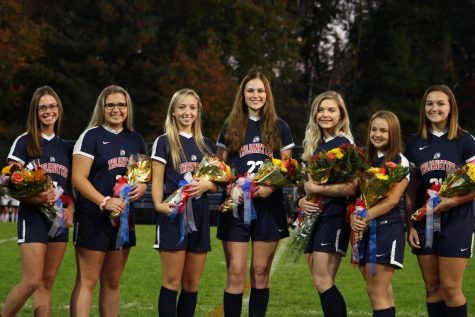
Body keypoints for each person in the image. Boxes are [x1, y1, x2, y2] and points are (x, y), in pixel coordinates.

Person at [216, 71, 295, 317]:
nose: (255, 95)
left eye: (260, 90)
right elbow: (219, 167)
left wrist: (270, 187)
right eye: (250, 90)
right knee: (236, 272)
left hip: (269, 206)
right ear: (243, 94)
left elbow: (289, 168)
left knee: (260, 273)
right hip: (236, 205)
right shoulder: (230, 125)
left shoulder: (279, 126)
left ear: (267, 94)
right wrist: (231, 186)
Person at [70, 85, 147, 317]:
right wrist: (104, 201)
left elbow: (141, 177)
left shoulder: (136, 139)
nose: (116, 109)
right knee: (87, 281)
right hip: (93, 216)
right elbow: (78, 178)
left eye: (121, 104)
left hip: (123, 219)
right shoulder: (90, 136)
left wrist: (142, 186)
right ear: (102, 108)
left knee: (112, 282)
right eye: (110, 104)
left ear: (128, 108)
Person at [1, 86, 74, 317]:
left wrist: (71, 208)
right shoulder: (24, 141)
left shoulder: (65, 147)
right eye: (42, 107)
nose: (48, 111)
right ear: (35, 112)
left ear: (59, 110)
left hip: (58, 221)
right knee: (32, 280)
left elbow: (71, 188)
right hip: (33, 219)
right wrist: (35, 197)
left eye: (52, 106)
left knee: (47, 281)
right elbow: (8, 183)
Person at [405, 85, 475, 317]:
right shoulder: (414, 143)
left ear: (451, 107)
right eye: (429, 103)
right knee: (432, 288)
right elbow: (411, 189)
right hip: (425, 222)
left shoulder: (465, 141)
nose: (434, 108)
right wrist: (410, 225)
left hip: (457, 220)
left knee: (451, 289)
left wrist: (452, 202)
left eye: (440, 103)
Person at [151, 88, 216, 316]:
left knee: (191, 283)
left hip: (200, 215)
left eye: (192, 107)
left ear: (198, 112)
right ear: (173, 112)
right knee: (172, 281)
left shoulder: (206, 144)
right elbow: (157, 180)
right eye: (182, 107)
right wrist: (158, 205)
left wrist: (208, 185)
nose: (187, 112)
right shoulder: (163, 142)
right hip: (174, 215)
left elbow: (217, 180)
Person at [297, 90, 354, 317]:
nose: (325, 114)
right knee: (321, 280)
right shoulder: (318, 144)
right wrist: (302, 200)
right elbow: (306, 187)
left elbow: (351, 187)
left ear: (341, 115)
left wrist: (317, 189)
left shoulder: (344, 144)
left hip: (334, 216)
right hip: (314, 217)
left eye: (331, 110)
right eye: (320, 110)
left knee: (322, 280)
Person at [350, 111, 409, 317]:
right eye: (374, 129)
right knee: (381, 291)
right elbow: (356, 196)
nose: (377, 134)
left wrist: (364, 216)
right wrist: (353, 216)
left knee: (376, 291)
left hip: (386, 229)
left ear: (393, 133)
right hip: (363, 230)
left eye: (383, 130)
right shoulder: (364, 160)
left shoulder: (401, 162)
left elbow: (392, 199)